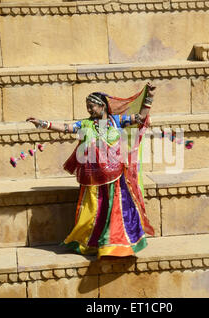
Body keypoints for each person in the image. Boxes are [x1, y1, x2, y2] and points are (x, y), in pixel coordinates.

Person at [26, 83, 156, 258]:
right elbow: (66, 128)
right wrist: (43, 123)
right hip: (93, 179)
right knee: (94, 212)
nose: (89, 109)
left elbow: (140, 118)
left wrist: (149, 97)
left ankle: (114, 245)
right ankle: (92, 243)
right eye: (87, 106)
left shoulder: (116, 121)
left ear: (102, 106)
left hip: (115, 178)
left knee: (116, 211)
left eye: (91, 106)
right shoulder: (86, 124)